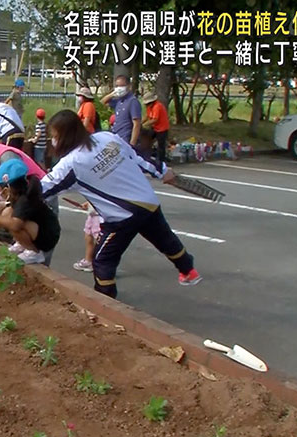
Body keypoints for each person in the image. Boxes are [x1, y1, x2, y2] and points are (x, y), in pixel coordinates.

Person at [41, 110, 201, 299]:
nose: (53, 141)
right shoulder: (107, 137)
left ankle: (106, 303)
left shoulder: (70, 164)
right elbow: (139, 158)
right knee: (165, 240)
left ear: (65, 137)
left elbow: (42, 189)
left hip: (121, 217)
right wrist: (163, 171)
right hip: (148, 202)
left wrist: (12, 198)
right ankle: (188, 270)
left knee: (102, 261)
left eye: (55, 136)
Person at [0, 159, 61, 265]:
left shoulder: (24, 200)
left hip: (47, 235)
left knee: (13, 224)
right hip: (40, 228)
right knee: (7, 212)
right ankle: (22, 244)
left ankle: (34, 252)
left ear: (8, 188)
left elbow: (15, 225)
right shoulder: (21, 194)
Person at [101, 75, 141, 147]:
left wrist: (132, 144)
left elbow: (137, 124)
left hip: (126, 139)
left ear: (128, 86)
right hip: (116, 137)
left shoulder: (132, 101)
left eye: (122, 86)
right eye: (117, 86)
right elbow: (102, 102)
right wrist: (112, 94)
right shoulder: (118, 100)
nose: (119, 88)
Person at [141, 92, 170, 165]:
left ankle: (161, 161)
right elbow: (147, 116)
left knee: (161, 145)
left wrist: (144, 124)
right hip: (155, 127)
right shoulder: (149, 107)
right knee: (147, 139)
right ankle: (149, 155)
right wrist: (140, 123)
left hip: (162, 128)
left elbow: (154, 119)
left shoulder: (157, 106)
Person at [72, 201, 101, 272]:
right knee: (88, 236)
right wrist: (88, 203)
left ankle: (102, 264)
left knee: (100, 239)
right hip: (92, 215)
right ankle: (88, 261)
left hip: (100, 217)